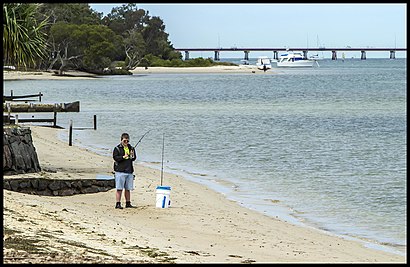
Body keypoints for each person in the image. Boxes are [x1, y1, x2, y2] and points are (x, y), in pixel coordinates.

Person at [113, 133, 136, 209]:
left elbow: (133, 158)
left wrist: (132, 155)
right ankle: (118, 203)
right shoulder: (117, 148)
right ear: (121, 140)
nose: (126, 142)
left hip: (129, 171)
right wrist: (123, 157)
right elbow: (115, 158)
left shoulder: (131, 148)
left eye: (127, 141)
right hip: (120, 171)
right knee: (119, 188)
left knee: (128, 188)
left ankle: (128, 203)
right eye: (124, 141)